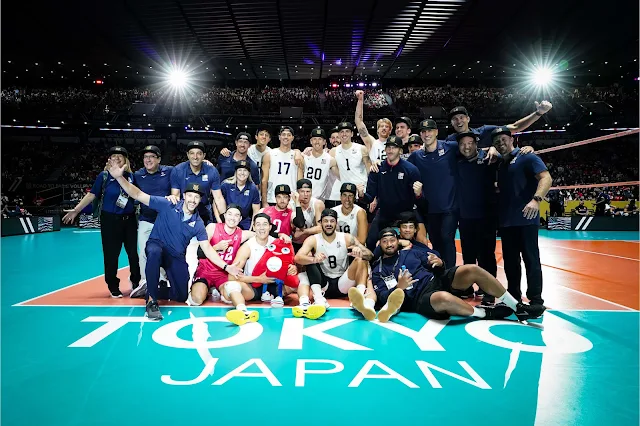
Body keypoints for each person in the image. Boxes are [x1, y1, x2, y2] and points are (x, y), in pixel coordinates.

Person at [108, 161, 242, 321]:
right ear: (184, 195)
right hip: (157, 245)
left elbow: (207, 249)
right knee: (154, 252)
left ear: (200, 200)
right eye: (190, 195)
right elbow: (138, 195)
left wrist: (227, 267)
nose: (193, 200)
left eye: (197, 197)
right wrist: (119, 178)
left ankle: (151, 287)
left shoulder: (198, 223)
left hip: (175, 256)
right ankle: (151, 301)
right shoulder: (168, 204)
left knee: (181, 295)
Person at [363, 228, 545, 323]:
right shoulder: (378, 269)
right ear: (380, 244)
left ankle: (517, 307)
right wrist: (399, 287)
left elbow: (436, 263)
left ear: (397, 241)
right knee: (443, 298)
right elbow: (383, 298)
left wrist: (439, 262)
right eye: (385, 241)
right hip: (419, 298)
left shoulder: (412, 252)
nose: (389, 244)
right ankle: (484, 313)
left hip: (437, 280)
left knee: (471, 269)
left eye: (392, 240)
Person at [62, 146, 141, 298]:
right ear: (109, 160)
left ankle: (136, 282)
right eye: (114, 156)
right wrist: (76, 210)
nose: (117, 158)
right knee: (111, 255)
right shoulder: (104, 176)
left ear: (126, 160)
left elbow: (137, 194)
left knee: (133, 254)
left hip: (129, 220)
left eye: (120, 156)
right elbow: (92, 195)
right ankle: (113, 285)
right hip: (110, 221)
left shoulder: (131, 177)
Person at [223, 213, 326, 325]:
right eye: (258, 224)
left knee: (303, 276)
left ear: (270, 227)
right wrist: (259, 279)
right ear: (253, 227)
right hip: (254, 287)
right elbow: (231, 277)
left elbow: (289, 263)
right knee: (230, 285)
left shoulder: (279, 242)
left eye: (264, 224)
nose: (261, 228)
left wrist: (292, 268)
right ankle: (242, 312)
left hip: (278, 285)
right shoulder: (247, 247)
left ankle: (304, 306)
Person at [493, 126, 553, 309]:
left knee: (531, 260)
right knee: (511, 262)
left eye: (504, 139)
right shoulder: (500, 164)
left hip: (526, 219)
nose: (501, 144)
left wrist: (536, 200)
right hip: (507, 221)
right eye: (497, 142)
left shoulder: (527, 156)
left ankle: (536, 300)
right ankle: (513, 297)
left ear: (512, 140)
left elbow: (546, 178)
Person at [171, 140, 227, 279]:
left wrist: (225, 220)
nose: (195, 157)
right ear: (187, 155)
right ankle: (177, 278)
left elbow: (218, 198)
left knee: (205, 247)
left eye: (199, 154)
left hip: (203, 214)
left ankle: (205, 276)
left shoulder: (211, 170)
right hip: (184, 214)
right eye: (192, 153)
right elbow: (175, 196)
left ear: (204, 156)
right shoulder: (178, 170)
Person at [294, 209, 373, 309]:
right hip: (323, 283)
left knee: (361, 259)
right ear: (320, 223)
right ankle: (318, 299)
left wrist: (359, 252)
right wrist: (314, 259)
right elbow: (297, 258)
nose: (329, 224)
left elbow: (370, 255)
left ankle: (359, 297)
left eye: (332, 221)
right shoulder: (313, 239)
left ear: (336, 222)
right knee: (308, 261)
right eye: (326, 221)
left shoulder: (347, 238)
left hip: (343, 282)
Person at [408, 119, 460, 270]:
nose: (426, 134)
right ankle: (441, 276)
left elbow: (470, 148)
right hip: (430, 210)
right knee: (436, 243)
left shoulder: (450, 147)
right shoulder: (416, 156)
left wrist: (491, 149)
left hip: (450, 207)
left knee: (447, 238)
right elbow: (403, 166)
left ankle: (451, 275)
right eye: (423, 131)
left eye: (430, 130)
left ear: (436, 132)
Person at [357, 135, 422, 250]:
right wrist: (361, 194)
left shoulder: (411, 170)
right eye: (388, 147)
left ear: (400, 150)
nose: (390, 150)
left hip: (405, 212)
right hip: (385, 212)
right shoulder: (377, 169)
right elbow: (369, 196)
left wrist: (418, 194)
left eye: (394, 148)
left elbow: (420, 198)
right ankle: (375, 267)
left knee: (419, 241)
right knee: (371, 241)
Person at [456, 131, 499, 303]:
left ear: (476, 144)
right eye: (462, 144)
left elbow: (509, 154)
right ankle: (467, 287)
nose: (466, 147)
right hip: (466, 217)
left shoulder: (490, 160)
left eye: (470, 143)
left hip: (486, 217)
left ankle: (489, 291)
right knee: (468, 255)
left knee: (487, 255)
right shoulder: (457, 163)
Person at [188, 204, 255, 306]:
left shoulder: (242, 234)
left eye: (236, 215)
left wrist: (281, 235)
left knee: (229, 297)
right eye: (230, 214)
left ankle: (218, 290)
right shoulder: (212, 227)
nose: (232, 218)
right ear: (225, 215)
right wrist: (215, 247)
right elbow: (199, 252)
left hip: (223, 274)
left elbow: (261, 233)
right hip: (205, 271)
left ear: (240, 219)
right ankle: (203, 288)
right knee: (197, 300)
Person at [131, 145, 173, 298]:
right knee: (143, 251)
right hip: (145, 219)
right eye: (145, 157)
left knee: (163, 251)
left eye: (152, 156)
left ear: (159, 159)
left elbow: (186, 169)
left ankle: (162, 280)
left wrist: (206, 162)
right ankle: (144, 281)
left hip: (164, 221)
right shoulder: (137, 175)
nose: (148, 160)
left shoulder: (169, 171)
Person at [446, 101, 553, 148]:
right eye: (455, 119)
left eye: (461, 117)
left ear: (468, 119)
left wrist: (539, 113)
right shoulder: (448, 142)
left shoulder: (485, 131)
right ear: (451, 123)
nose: (459, 121)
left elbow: (516, 127)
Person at [327, 122, 372, 208]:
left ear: (352, 133)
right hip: (346, 194)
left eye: (347, 131)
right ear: (339, 134)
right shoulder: (334, 151)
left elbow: (369, 172)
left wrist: (372, 195)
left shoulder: (361, 149)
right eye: (342, 132)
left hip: (361, 192)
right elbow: (336, 172)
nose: (344, 134)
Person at [261, 126, 303, 207]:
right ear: (279, 137)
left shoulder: (297, 156)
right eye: (283, 134)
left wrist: (299, 201)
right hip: (272, 198)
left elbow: (300, 182)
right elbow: (264, 180)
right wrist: (264, 201)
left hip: (291, 200)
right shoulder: (269, 154)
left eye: (288, 135)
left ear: (292, 138)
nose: (286, 137)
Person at [219, 161, 260, 229]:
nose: (242, 173)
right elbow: (216, 204)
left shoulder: (253, 189)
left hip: (244, 221)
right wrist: (220, 222)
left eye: (245, 170)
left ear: (249, 173)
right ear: (236, 172)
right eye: (240, 170)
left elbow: (256, 211)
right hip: (227, 220)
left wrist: (251, 229)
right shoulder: (226, 185)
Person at [354, 90, 392, 163]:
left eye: (386, 127)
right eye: (381, 126)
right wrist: (360, 100)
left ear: (390, 130)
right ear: (377, 130)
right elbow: (359, 122)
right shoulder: (372, 143)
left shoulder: (396, 144)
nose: (384, 128)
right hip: (376, 173)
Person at [302, 128, 340, 200]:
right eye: (314, 139)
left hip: (320, 200)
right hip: (304, 198)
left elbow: (341, 176)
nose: (317, 142)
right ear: (311, 141)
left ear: (324, 142)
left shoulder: (330, 159)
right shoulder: (304, 156)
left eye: (320, 139)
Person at [291, 179, 325, 251]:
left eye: (308, 191)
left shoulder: (317, 204)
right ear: (297, 192)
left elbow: (321, 228)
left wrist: (304, 232)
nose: (305, 194)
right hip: (293, 242)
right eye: (302, 192)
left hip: (311, 242)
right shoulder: (290, 205)